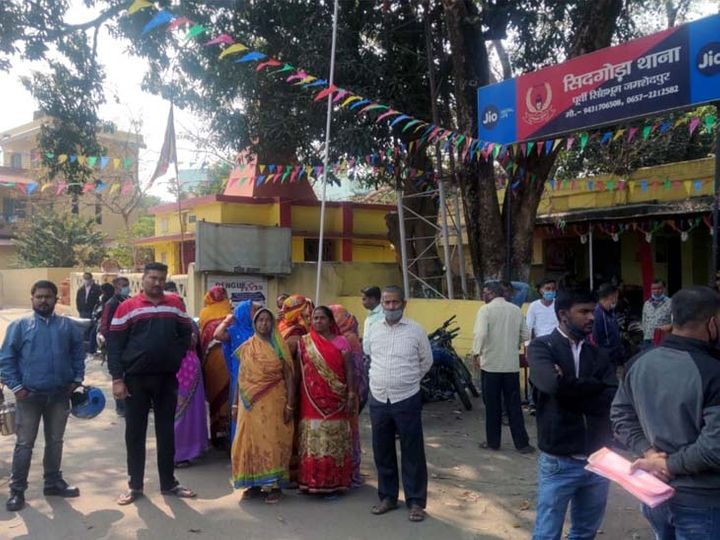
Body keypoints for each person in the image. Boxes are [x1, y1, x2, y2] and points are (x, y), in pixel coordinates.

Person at [611, 286, 720, 539]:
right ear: (712, 323)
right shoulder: (713, 373)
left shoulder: (639, 362)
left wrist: (649, 454)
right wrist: (666, 463)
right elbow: (714, 448)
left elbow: (620, 417)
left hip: (654, 491)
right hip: (703, 502)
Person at [528, 288, 617, 540]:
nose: (592, 318)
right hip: (559, 459)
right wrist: (592, 387)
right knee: (547, 533)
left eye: (593, 311)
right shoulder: (541, 347)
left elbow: (612, 396)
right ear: (563, 315)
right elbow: (550, 385)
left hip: (599, 460)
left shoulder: (599, 354)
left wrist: (567, 384)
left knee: (585, 532)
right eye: (584, 312)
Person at [108, 262, 195, 505]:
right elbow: (114, 346)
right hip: (135, 380)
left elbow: (185, 334)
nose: (157, 282)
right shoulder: (127, 307)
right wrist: (117, 379)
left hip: (166, 379)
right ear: (143, 279)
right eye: (152, 278)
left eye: (161, 278)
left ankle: (169, 483)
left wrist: (174, 356)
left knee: (166, 432)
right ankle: (134, 486)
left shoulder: (175, 304)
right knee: (134, 433)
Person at [0, 280, 85, 512]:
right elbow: (6, 359)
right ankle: (17, 491)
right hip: (29, 396)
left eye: (48, 296)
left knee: (55, 441)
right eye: (39, 296)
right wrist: (17, 387)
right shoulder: (19, 326)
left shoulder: (67, 327)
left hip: (59, 395)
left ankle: (53, 482)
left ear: (56, 299)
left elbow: (78, 353)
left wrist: (77, 378)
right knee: (25, 444)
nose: (43, 300)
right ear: (32, 299)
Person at [366, 285, 433, 522]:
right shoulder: (373, 330)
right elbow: (370, 357)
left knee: (412, 451)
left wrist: (407, 381)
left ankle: (416, 502)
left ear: (404, 304)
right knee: (382, 449)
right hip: (379, 397)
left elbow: (426, 361)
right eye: (386, 303)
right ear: (381, 305)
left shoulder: (416, 331)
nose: (391, 307)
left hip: (406, 398)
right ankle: (388, 497)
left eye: (395, 303)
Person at [231, 308, 295, 504]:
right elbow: (240, 378)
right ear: (255, 324)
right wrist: (234, 405)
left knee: (273, 440)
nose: (264, 324)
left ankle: (274, 486)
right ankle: (253, 483)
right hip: (248, 404)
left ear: (273, 323)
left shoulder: (279, 346)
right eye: (260, 320)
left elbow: (290, 376)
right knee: (248, 440)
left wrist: (290, 405)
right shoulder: (247, 347)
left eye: (268, 320)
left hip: (274, 400)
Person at [297, 306, 356, 495]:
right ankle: (311, 481)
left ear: (331, 321)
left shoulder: (342, 342)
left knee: (334, 439)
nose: (318, 321)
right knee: (313, 438)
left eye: (322, 318)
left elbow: (349, 370)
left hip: (337, 398)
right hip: (311, 398)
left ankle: (335, 483)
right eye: (315, 318)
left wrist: (351, 393)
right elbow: (299, 371)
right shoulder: (305, 342)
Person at [472, 281, 534, 454]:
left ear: (491, 293)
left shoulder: (485, 310)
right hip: (511, 365)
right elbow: (526, 334)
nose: (483, 295)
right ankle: (522, 444)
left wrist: (476, 353)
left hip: (491, 365)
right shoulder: (515, 310)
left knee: (492, 406)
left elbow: (481, 333)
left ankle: (493, 442)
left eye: (484, 292)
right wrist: (512, 343)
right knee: (514, 404)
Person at [330, 304, 367, 488]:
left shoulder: (349, 338)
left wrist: (353, 393)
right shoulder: (339, 336)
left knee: (350, 432)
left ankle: (351, 471)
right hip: (338, 393)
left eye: (334, 316)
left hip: (348, 392)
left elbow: (356, 370)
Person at [214, 299, 257, 442]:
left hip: (258, 378)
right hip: (239, 378)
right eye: (253, 310)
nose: (256, 313)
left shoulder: (258, 330)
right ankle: (238, 448)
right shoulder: (234, 331)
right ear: (244, 312)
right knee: (238, 412)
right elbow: (217, 335)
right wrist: (227, 321)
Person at [198, 286, 233, 447]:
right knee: (230, 395)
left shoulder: (204, 313)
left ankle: (217, 435)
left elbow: (203, 338)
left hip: (212, 361)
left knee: (216, 396)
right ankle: (229, 435)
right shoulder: (230, 309)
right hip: (230, 358)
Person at [174, 322, 208, 467]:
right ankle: (178, 454)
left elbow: (197, 344)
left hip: (192, 367)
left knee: (194, 413)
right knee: (180, 414)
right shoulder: (168, 324)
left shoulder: (189, 323)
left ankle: (193, 449)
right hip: (179, 369)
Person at [99, 276, 131, 416]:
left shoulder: (130, 300)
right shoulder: (111, 304)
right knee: (119, 375)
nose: (126, 287)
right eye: (123, 285)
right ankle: (121, 407)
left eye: (127, 284)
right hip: (116, 346)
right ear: (116, 287)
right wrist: (113, 342)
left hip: (130, 346)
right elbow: (105, 326)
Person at [592, 283, 625, 368]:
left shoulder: (611, 312)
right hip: (606, 359)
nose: (617, 300)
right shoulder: (598, 313)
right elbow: (597, 339)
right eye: (616, 297)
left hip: (614, 358)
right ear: (611, 296)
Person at [640, 279, 672, 349]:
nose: (656, 291)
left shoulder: (670, 303)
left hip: (663, 340)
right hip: (647, 340)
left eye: (659, 288)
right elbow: (644, 321)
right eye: (654, 289)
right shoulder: (647, 303)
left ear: (664, 289)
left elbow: (674, 323)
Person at [361, 286, 383, 356]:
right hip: (369, 354)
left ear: (373, 299)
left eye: (364, 299)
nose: (362, 302)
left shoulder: (382, 314)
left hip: (378, 355)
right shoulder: (371, 313)